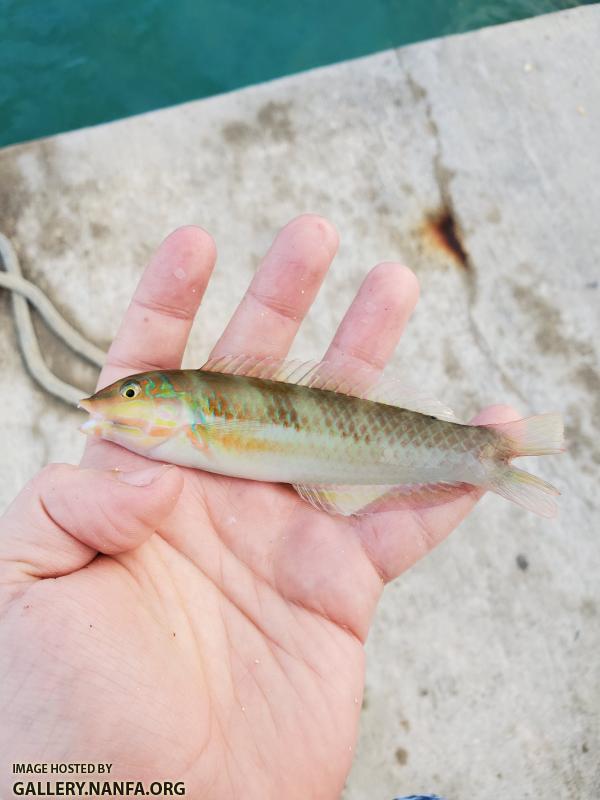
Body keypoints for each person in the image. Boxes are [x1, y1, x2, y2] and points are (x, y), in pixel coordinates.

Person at [0, 216, 514, 799]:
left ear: (170, 402)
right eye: (128, 392)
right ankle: (483, 455)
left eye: (133, 392)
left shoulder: (194, 421)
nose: (116, 401)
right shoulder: (172, 435)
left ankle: (483, 454)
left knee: (460, 447)